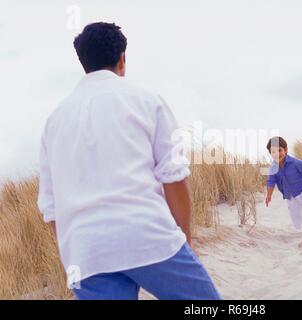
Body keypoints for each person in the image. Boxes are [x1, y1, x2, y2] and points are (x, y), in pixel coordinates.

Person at [37, 22, 221, 300]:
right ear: (122, 59)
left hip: (85, 252)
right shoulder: (145, 100)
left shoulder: (54, 121)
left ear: (83, 62)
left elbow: (51, 209)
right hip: (147, 235)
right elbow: (174, 176)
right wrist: (184, 238)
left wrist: (76, 250)